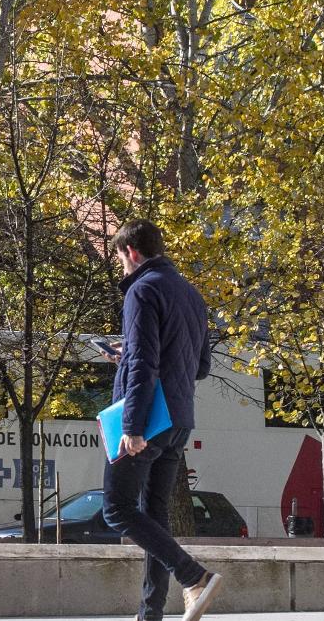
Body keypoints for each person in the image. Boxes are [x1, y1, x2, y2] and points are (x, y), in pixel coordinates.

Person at [101, 220, 223, 621]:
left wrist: (132, 426)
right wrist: (128, 354)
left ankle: (194, 576)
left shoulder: (142, 289)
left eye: (119, 258)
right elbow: (200, 366)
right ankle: (149, 612)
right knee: (154, 514)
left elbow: (144, 364)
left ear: (131, 252)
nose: (121, 266)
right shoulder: (192, 295)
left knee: (116, 508)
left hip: (148, 420)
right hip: (179, 419)